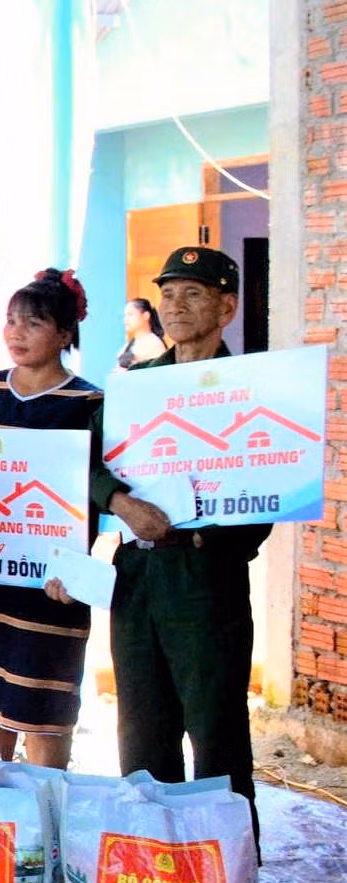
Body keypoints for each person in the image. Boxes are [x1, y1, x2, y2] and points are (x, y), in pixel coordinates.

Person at [81, 246, 266, 834]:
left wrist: (220, 534)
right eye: (167, 294)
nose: (175, 306)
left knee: (216, 732)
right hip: (138, 573)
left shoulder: (251, 388)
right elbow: (86, 460)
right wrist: (121, 503)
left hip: (206, 574)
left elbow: (273, 479)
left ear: (226, 308)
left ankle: (227, 868)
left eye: (193, 294)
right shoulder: (135, 386)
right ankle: (152, 860)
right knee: (141, 729)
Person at [0, 272, 103, 768]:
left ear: (65, 333)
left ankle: (46, 809)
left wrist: (74, 569)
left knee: (44, 708)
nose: (17, 332)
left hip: (50, 586)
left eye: (33, 322)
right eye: (10, 321)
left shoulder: (87, 403)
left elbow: (92, 493)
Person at [114, 296, 165, 374]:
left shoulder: (154, 344)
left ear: (146, 316)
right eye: (125, 315)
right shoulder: (129, 344)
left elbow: (158, 374)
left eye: (130, 314)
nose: (125, 320)